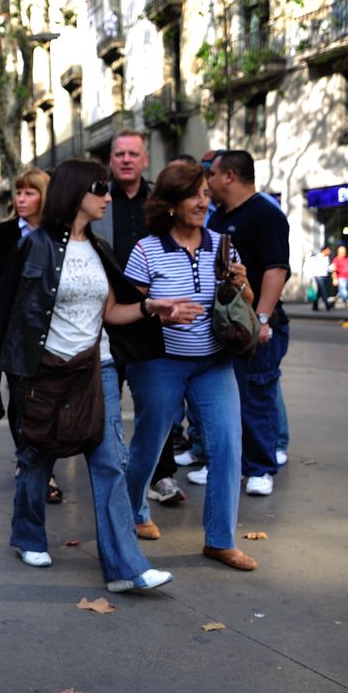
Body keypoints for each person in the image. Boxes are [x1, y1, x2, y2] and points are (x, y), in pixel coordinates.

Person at [0, 158, 195, 591]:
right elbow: (9, 308)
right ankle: (27, 534)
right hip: (46, 371)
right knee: (37, 458)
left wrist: (149, 307)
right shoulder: (35, 245)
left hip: (97, 368)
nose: (107, 196)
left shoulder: (98, 247)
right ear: (75, 191)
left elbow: (110, 312)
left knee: (111, 463)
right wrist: (3, 371)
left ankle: (124, 568)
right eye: (99, 188)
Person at [124, 160, 258, 572]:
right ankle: (132, 513)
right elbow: (128, 310)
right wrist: (160, 314)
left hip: (214, 363)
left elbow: (246, 301)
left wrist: (242, 283)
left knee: (227, 445)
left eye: (205, 194)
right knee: (149, 442)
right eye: (193, 195)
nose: (203, 202)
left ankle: (220, 540)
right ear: (170, 204)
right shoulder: (146, 250)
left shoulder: (223, 244)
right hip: (160, 363)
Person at [92, 129, 188, 511]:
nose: (126, 159)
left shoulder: (160, 202)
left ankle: (161, 474)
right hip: (109, 315)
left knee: (155, 399)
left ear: (145, 159)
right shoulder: (99, 200)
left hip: (153, 315)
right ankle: (112, 468)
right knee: (107, 400)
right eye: (119, 154)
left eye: (134, 153)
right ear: (111, 160)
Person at [207, 149, 291, 498]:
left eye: (212, 174)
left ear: (229, 175)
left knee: (257, 394)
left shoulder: (265, 214)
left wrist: (262, 319)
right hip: (226, 324)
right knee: (225, 399)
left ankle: (260, 469)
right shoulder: (216, 220)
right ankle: (228, 463)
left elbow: (276, 269)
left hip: (256, 323)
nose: (207, 181)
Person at [0, 167, 64, 504]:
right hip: (12, 331)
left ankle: (45, 461)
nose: (21, 198)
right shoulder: (2, 233)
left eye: (29, 192)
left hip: (53, 329)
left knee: (51, 399)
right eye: (18, 192)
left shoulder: (60, 232)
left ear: (44, 196)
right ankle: (29, 460)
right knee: (19, 399)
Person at [312, 246, 336, 312]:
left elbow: (327, 267)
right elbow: (314, 267)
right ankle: (327, 305)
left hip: (325, 276)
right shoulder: (318, 257)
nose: (329, 252)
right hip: (319, 276)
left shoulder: (327, 258)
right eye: (328, 250)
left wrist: (331, 268)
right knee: (323, 291)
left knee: (319, 292)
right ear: (324, 250)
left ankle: (315, 305)